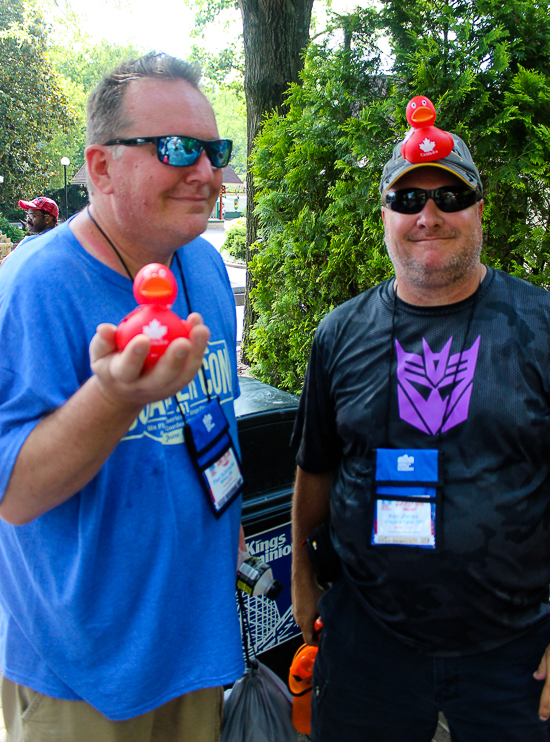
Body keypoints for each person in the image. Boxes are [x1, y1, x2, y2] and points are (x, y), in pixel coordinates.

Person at [0, 52, 244, 741]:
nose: (206, 172)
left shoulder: (200, 262)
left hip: (193, 652)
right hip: (83, 675)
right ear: (100, 167)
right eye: (176, 149)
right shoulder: (35, 286)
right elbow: (14, 492)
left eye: (213, 150)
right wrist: (114, 396)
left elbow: (202, 430)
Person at [291, 105, 550, 742]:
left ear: (480, 209)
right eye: (407, 198)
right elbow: (315, 467)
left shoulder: (540, 327)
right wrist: (301, 575)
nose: (427, 216)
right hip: (367, 646)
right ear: (384, 214)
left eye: (449, 196)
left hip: (515, 648)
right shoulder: (341, 333)